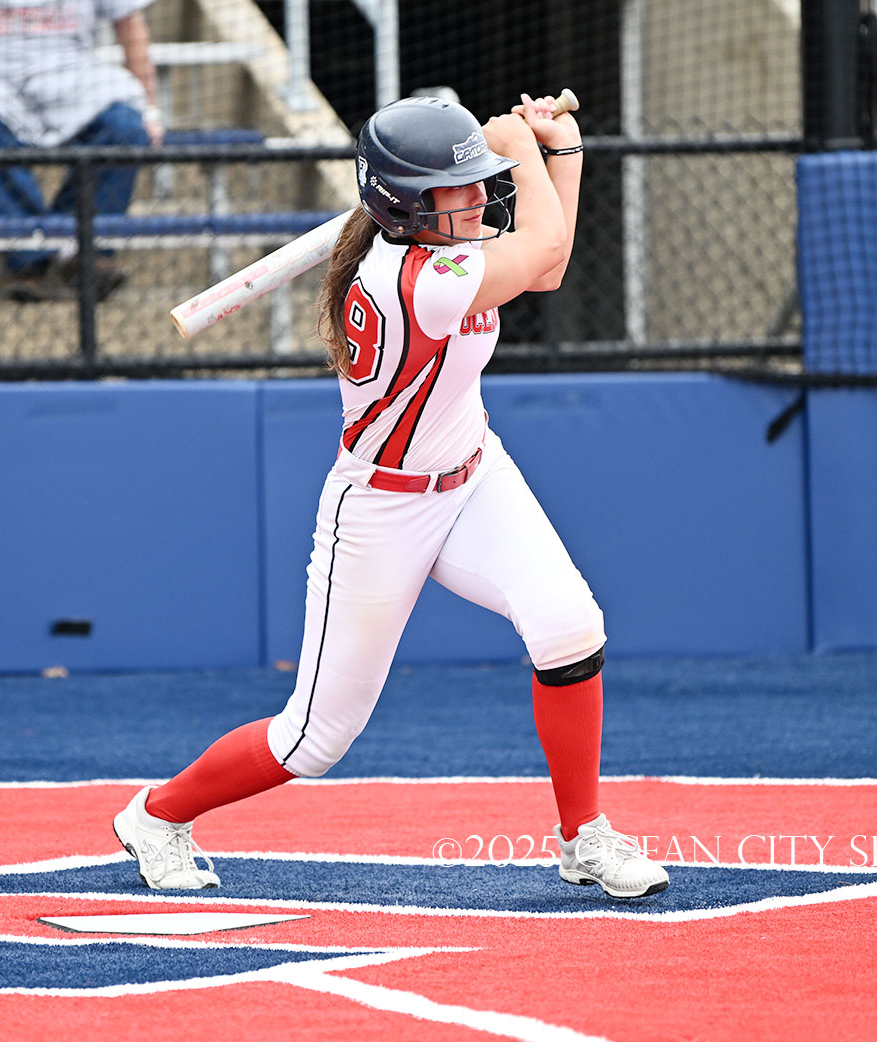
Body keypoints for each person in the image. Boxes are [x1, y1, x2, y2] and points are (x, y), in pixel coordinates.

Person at [112, 92, 671, 901]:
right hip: (382, 507)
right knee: (313, 739)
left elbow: (545, 264)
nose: (476, 200)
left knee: (569, 625)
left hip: (474, 475)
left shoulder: (442, 248)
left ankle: (584, 837)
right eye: (456, 188)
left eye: (476, 184)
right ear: (403, 205)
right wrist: (523, 148)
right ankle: (157, 814)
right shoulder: (420, 278)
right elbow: (543, 248)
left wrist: (560, 151)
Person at [0, 0, 162, 301]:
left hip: (72, 72)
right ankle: (39, 253)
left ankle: (79, 250)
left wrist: (150, 111)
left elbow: (130, 24)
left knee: (125, 126)